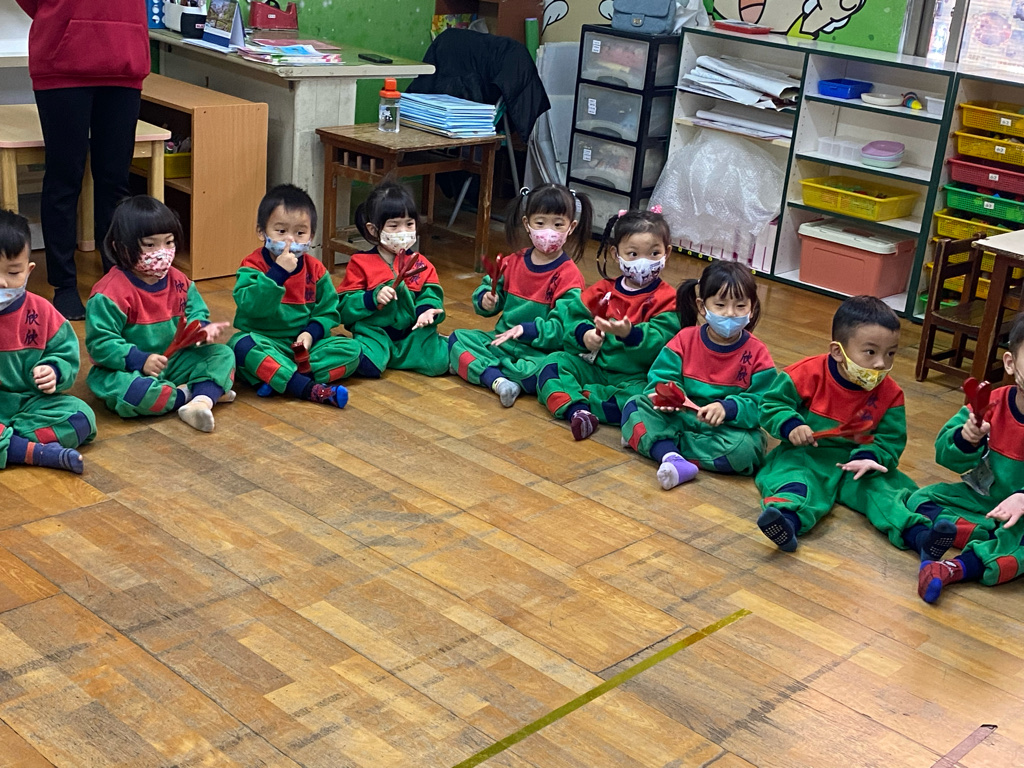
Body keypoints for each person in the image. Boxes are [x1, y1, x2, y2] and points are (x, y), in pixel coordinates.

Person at [754, 296, 953, 559]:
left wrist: (869, 457)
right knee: (796, 483)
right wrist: (791, 424)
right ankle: (787, 524)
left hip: (858, 464)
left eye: (890, 353)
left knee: (885, 494)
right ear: (838, 351)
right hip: (807, 455)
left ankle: (920, 537)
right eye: (871, 352)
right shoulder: (805, 373)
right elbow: (770, 404)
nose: (881, 363)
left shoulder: (891, 393)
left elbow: (890, 440)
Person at [15, 0, 151, 320]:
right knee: (64, 179)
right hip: (62, 61)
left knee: (115, 181)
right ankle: (63, 284)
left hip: (125, 58)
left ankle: (116, 277)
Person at [85, 196, 235, 432]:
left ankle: (200, 402)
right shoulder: (109, 294)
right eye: (150, 245)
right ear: (120, 247)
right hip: (126, 370)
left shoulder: (180, 281)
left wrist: (203, 330)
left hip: (174, 361)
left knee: (223, 354)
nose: (162, 252)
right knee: (132, 391)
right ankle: (194, 393)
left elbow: (195, 312)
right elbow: (101, 344)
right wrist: (140, 360)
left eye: (169, 242)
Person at [621, 260, 775, 488]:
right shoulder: (684, 339)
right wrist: (669, 397)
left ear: (752, 308)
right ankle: (669, 454)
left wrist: (728, 408)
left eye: (740, 306)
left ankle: (660, 447)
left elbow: (765, 403)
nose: (730, 314)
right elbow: (661, 378)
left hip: (724, 429)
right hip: (681, 417)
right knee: (635, 405)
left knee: (746, 450)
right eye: (720, 305)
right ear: (702, 306)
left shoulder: (758, 352)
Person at [536, 208, 679, 440]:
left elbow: (664, 341)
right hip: (594, 369)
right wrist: (584, 335)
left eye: (654, 253)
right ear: (615, 254)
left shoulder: (669, 299)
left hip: (635, 378)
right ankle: (579, 411)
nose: (643, 262)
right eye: (633, 254)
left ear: (667, 252)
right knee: (553, 363)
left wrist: (631, 334)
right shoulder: (603, 290)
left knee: (645, 397)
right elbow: (573, 318)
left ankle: (577, 399)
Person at [448, 184, 592, 407]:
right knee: (458, 338)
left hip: (537, 353)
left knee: (549, 369)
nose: (548, 231)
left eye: (558, 224)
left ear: (571, 227)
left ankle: (483, 369)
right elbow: (487, 290)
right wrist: (486, 300)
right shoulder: (513, 261)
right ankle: (499, 381)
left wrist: (527, 330)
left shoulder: (569, 276)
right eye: (540, 223)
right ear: (527, 224)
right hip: (501, 342)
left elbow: (562, 329)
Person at [914, 314, 1024, 603]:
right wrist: (966, 439)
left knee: (1019, 547)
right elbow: (943, 453)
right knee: (920, 499)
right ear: (1011, 363)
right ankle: (984, 533)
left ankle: (954, 568)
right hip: (984, 502)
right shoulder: (990, 403)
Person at [229, 184, 355, 408]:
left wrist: (310, 333)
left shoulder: (316, 270)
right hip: (265, 341)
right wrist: (277, 273)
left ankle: (279, 378)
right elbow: (252, 307)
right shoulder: (252, 266)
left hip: (303, 348)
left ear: (311, 236)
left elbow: (328, 312)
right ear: (261, 232)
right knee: (240, 345)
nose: (290, 240)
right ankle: (309, 388)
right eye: (281, 231)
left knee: (352, 349)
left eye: (299, 233)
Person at [0, 209, 95, 472]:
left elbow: (64, 352)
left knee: (80, 417)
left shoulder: (42, 311)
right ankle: (35, 452)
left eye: (13, 273)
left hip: (31, 404)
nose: (2, 282)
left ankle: (10, 443)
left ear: (29, 270)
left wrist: (54, 370)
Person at [336, 180, 449, 377]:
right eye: (394, 226)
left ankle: (419, 352)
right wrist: (371, 298)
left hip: (411, 333)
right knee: (369, 365)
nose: (403, 231)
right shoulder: (360, 263)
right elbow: (343, 308)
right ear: (373, 230)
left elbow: (431, 295)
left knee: (439, 363)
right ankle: (358, 351)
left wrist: (427, 311)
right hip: (374, 332)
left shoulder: (421, 264)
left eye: (409, 224)